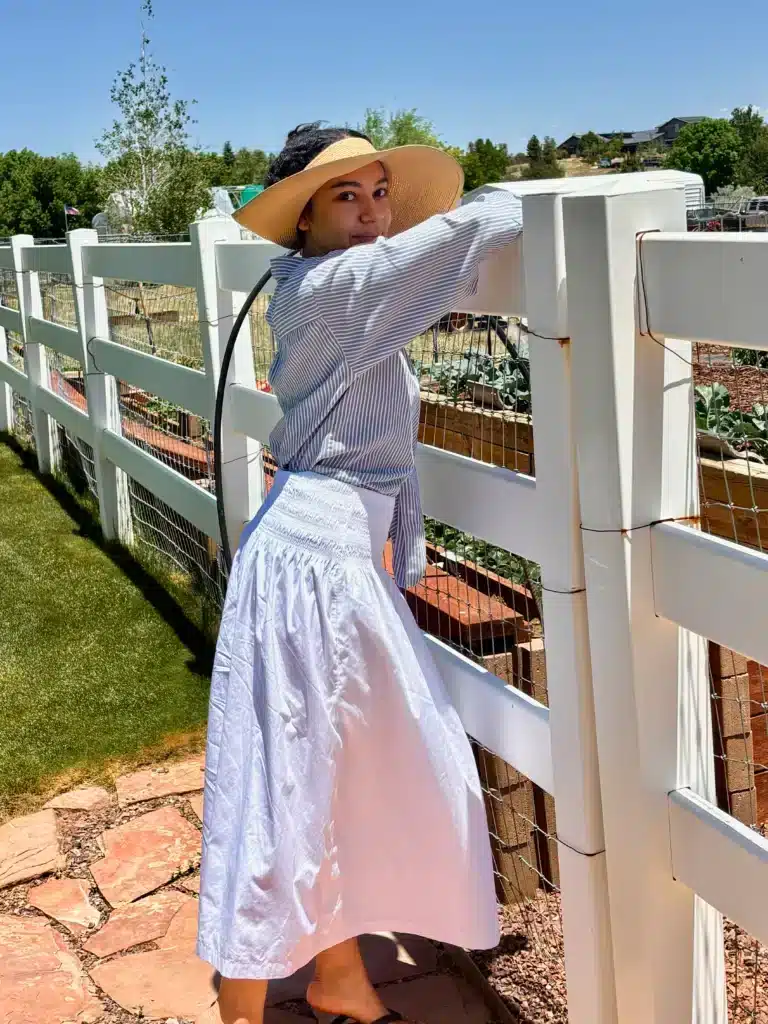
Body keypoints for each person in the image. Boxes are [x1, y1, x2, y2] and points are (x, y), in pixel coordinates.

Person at [196, 123, 523, 1024]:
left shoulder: (325, 286)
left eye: (381, 191)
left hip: (322, 555)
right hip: (315, 564)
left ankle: (338, 977)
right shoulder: (336, 288)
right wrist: (553, 199)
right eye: (347, 195)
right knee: (297, 780)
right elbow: (466, 234)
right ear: (302, 219)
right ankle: (244, 999)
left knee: (320, 774)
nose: (373, 211)